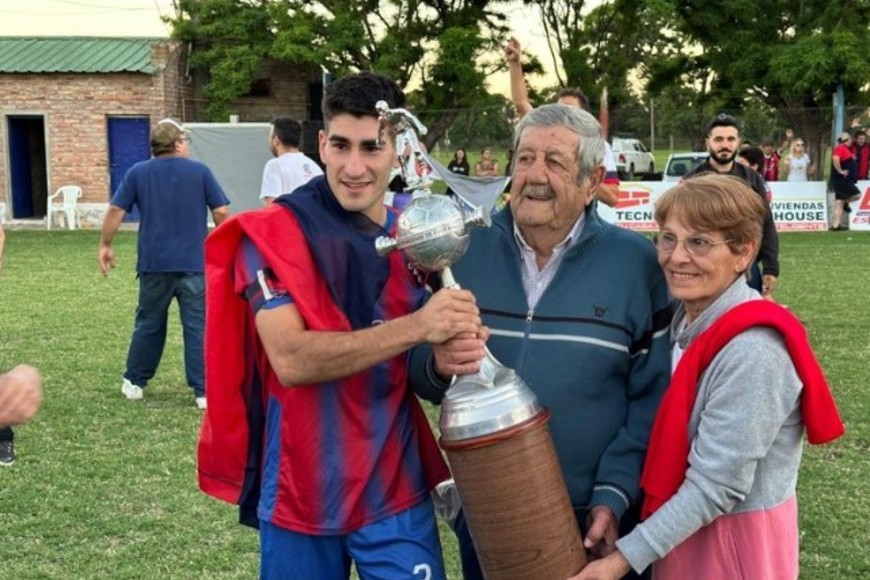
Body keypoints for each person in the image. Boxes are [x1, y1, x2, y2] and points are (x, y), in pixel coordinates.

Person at [197, 71, 482, 580]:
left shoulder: (419, 237)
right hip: (300, 495)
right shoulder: (271, 234)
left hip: (393, 491)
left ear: (396, 150)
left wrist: (443, 360)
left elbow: (423, 368)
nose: (355, 167)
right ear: (322, 145)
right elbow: (292, 360)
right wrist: (418, 326)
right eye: (342, 146)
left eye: (372, 148)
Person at [409, 104, 672, 580]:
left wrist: (615, 493)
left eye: (554, 161)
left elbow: (652, 399)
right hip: (490, 510)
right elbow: (412, 363)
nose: (534, 175)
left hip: (599, 517)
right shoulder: (462, 253)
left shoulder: (637, 264)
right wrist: (438, 365)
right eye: (525, 158)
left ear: (593, 181)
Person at [571, 174, 844, 580]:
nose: (676, 257)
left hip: (733, 546)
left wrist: (622, 561)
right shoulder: (684, 320)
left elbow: (717, 487)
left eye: (699, 242)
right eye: (667, 238)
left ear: (743, 253)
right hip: (683, 534)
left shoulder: (755, 349)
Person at [99, 118, 230, 410]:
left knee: (148, 323)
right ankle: (203, 391)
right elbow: (221, 211)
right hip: (194, 264)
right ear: (178, 143)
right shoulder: (200, 172)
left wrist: (106, 244)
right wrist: (224, 242)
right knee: (197, 326)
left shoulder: (138, 172)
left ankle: (135, 382)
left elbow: (116, 209)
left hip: (154, 264)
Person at [505, 36, 620, 207]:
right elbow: (522, 105)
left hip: (580, 224)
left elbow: (612, 197)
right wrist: (515, 63)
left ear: (583, 117)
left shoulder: (599, 147)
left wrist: (579, 174)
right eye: (559, 111)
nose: (562, 117)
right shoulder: (543, 133)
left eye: (570, 112)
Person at [683, 114, 779, 299]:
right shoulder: (692, 181)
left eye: (730, 139)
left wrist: (771, 267)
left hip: (745, 267)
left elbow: (766, 222)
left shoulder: (752, 179)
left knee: (746, 320)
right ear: (707, 142)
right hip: (704, 265)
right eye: (718, 139)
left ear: (738, 142)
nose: (725, 145)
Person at [259, 116, 323, 205]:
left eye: (270, 137)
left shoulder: (274, 166)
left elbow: (272, 206)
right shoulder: (315, 167)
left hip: (289, 218)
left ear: (276, 141)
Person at [829, 131, 861, 231]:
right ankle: (847, 202)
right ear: (846, 140)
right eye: (850, 139)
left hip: (842, 180)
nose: (852, 141)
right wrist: (840, 171)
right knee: (857, 194)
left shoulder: (845, 149)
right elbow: (835, 159)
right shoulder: (840, 148)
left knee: (839, 203)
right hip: (842, 180)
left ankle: (835, 226)